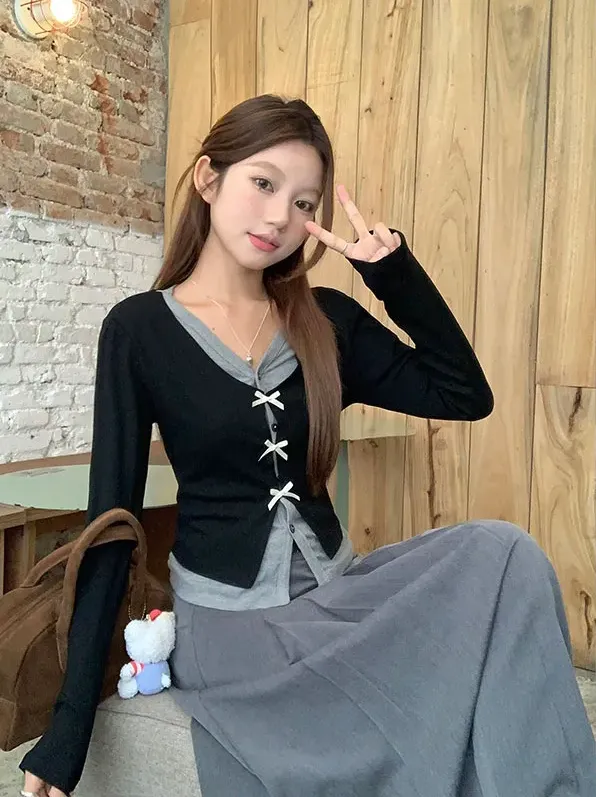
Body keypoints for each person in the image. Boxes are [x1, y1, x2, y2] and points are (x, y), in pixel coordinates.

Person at [20, 94, 596, 797]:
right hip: (232, 630)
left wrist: (393, 275)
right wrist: (68, 729)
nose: (278, 218)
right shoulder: (139, 330)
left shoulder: (328, 321)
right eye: (263, 184)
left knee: (505, 554)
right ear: (208, 179)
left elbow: (463, 395)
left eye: (303, 203)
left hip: (340, 595)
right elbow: (111, 527)